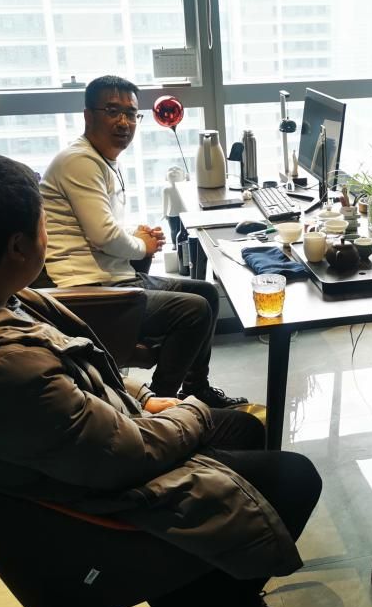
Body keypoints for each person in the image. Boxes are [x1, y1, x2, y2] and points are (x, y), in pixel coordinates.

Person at [0, 150, 322, 607]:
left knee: (243, 429)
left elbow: (82, 367)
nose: (47, 235)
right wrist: (189, 410)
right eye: (43, 225)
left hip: (91, 453)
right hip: (101, 512)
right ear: (17, 246)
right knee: (296, 478)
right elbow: (127, 455)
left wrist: (144, 397)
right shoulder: (1, 369)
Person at [39, 74, 246, 408]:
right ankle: (158, 404)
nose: (124, 122)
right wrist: (142, 246)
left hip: (113, 277)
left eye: (131, 114)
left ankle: (196, 389)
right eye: (112, 111)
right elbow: (104, 236)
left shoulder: (101, 159)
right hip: (91, 291)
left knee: (206, 293)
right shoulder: (80, 161)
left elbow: (103, 227)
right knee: (193, 311)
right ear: (88, 115)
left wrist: (137, 236)